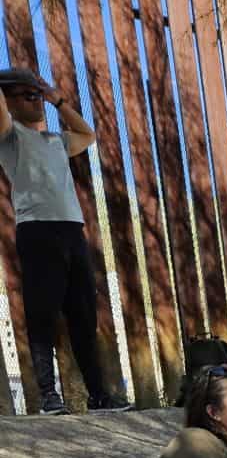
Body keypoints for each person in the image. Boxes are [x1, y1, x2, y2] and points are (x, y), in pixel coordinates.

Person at [0, 67, 130, 414]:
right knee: (42, 315)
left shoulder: (56, 141)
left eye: (37, 94)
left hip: (73, 230)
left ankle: (99, 396)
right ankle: (48, 397)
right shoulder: (9, 136)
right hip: (38, 230)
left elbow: (88, 135)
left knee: (84, 315)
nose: (36, 100)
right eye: (28, 95)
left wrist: (55, 98)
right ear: (8, 101)